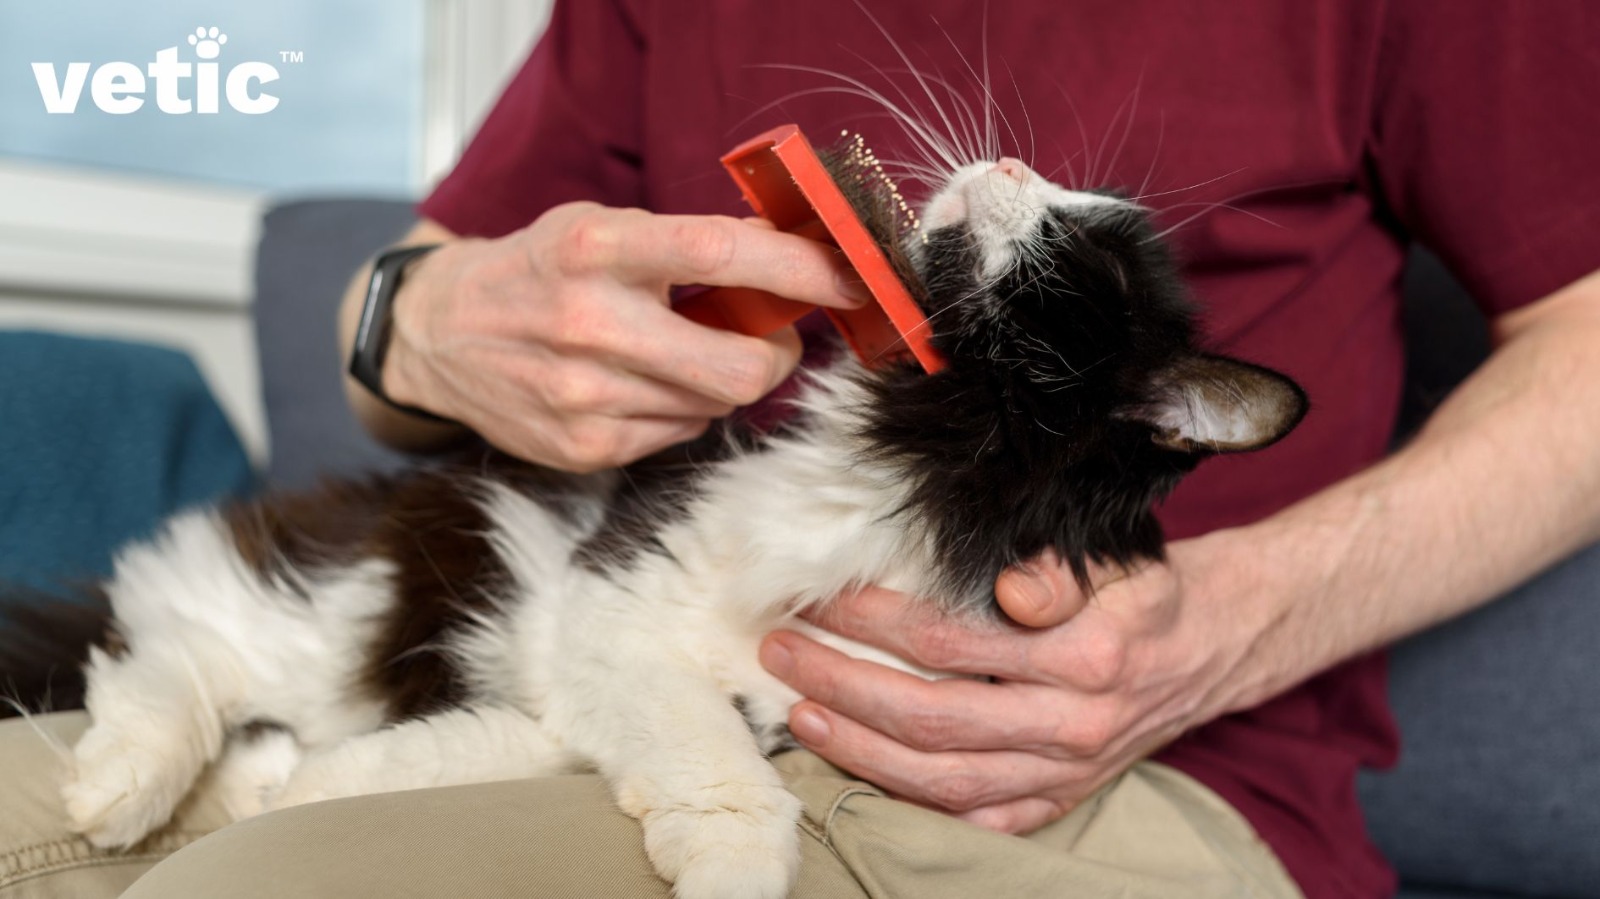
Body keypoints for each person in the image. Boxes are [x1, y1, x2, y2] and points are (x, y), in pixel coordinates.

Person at [2, 2, 1597, 898]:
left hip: (1107, 777)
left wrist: (1247, 615)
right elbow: (394, 329)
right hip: (641, 654)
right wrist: (413, 320)